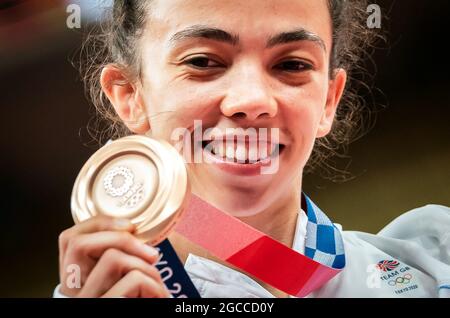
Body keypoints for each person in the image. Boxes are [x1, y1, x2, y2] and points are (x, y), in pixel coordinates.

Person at [54, 0, 450, 298]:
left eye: (292, 65)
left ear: (329, 101)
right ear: (130, 97)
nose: (251, 99)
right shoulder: (94, 290)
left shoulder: (433, 265)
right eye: (203, 60)